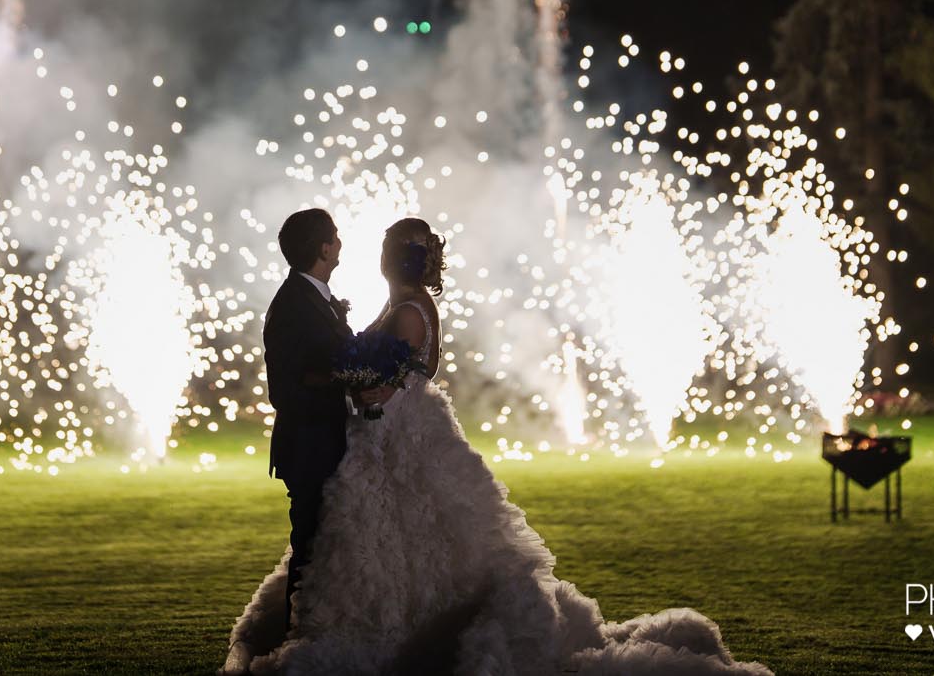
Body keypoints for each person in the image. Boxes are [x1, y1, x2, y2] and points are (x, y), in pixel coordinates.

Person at [225, 217, 770, 676]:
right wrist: (361, 381)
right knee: (378, 535)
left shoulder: (412, 311)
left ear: (398, 261)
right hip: (378, 432)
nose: (369, 255)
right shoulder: (388, 304)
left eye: (386, 252)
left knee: (409, 534)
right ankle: (345, 621)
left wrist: (375, 384)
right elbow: (370, 364)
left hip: (402, 430)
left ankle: (389, 628)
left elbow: (399, 371)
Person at [260, 207, 356, 636]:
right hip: (310, 446)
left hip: (329, 442)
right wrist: (345, 379)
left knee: (329, 546)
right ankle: (298, 641)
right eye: (335, 237)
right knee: (311, 548)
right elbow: (284, 389)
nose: (340, 244)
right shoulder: (292, 304)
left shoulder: (316, 298)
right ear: (322, 247)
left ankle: (323, 633)